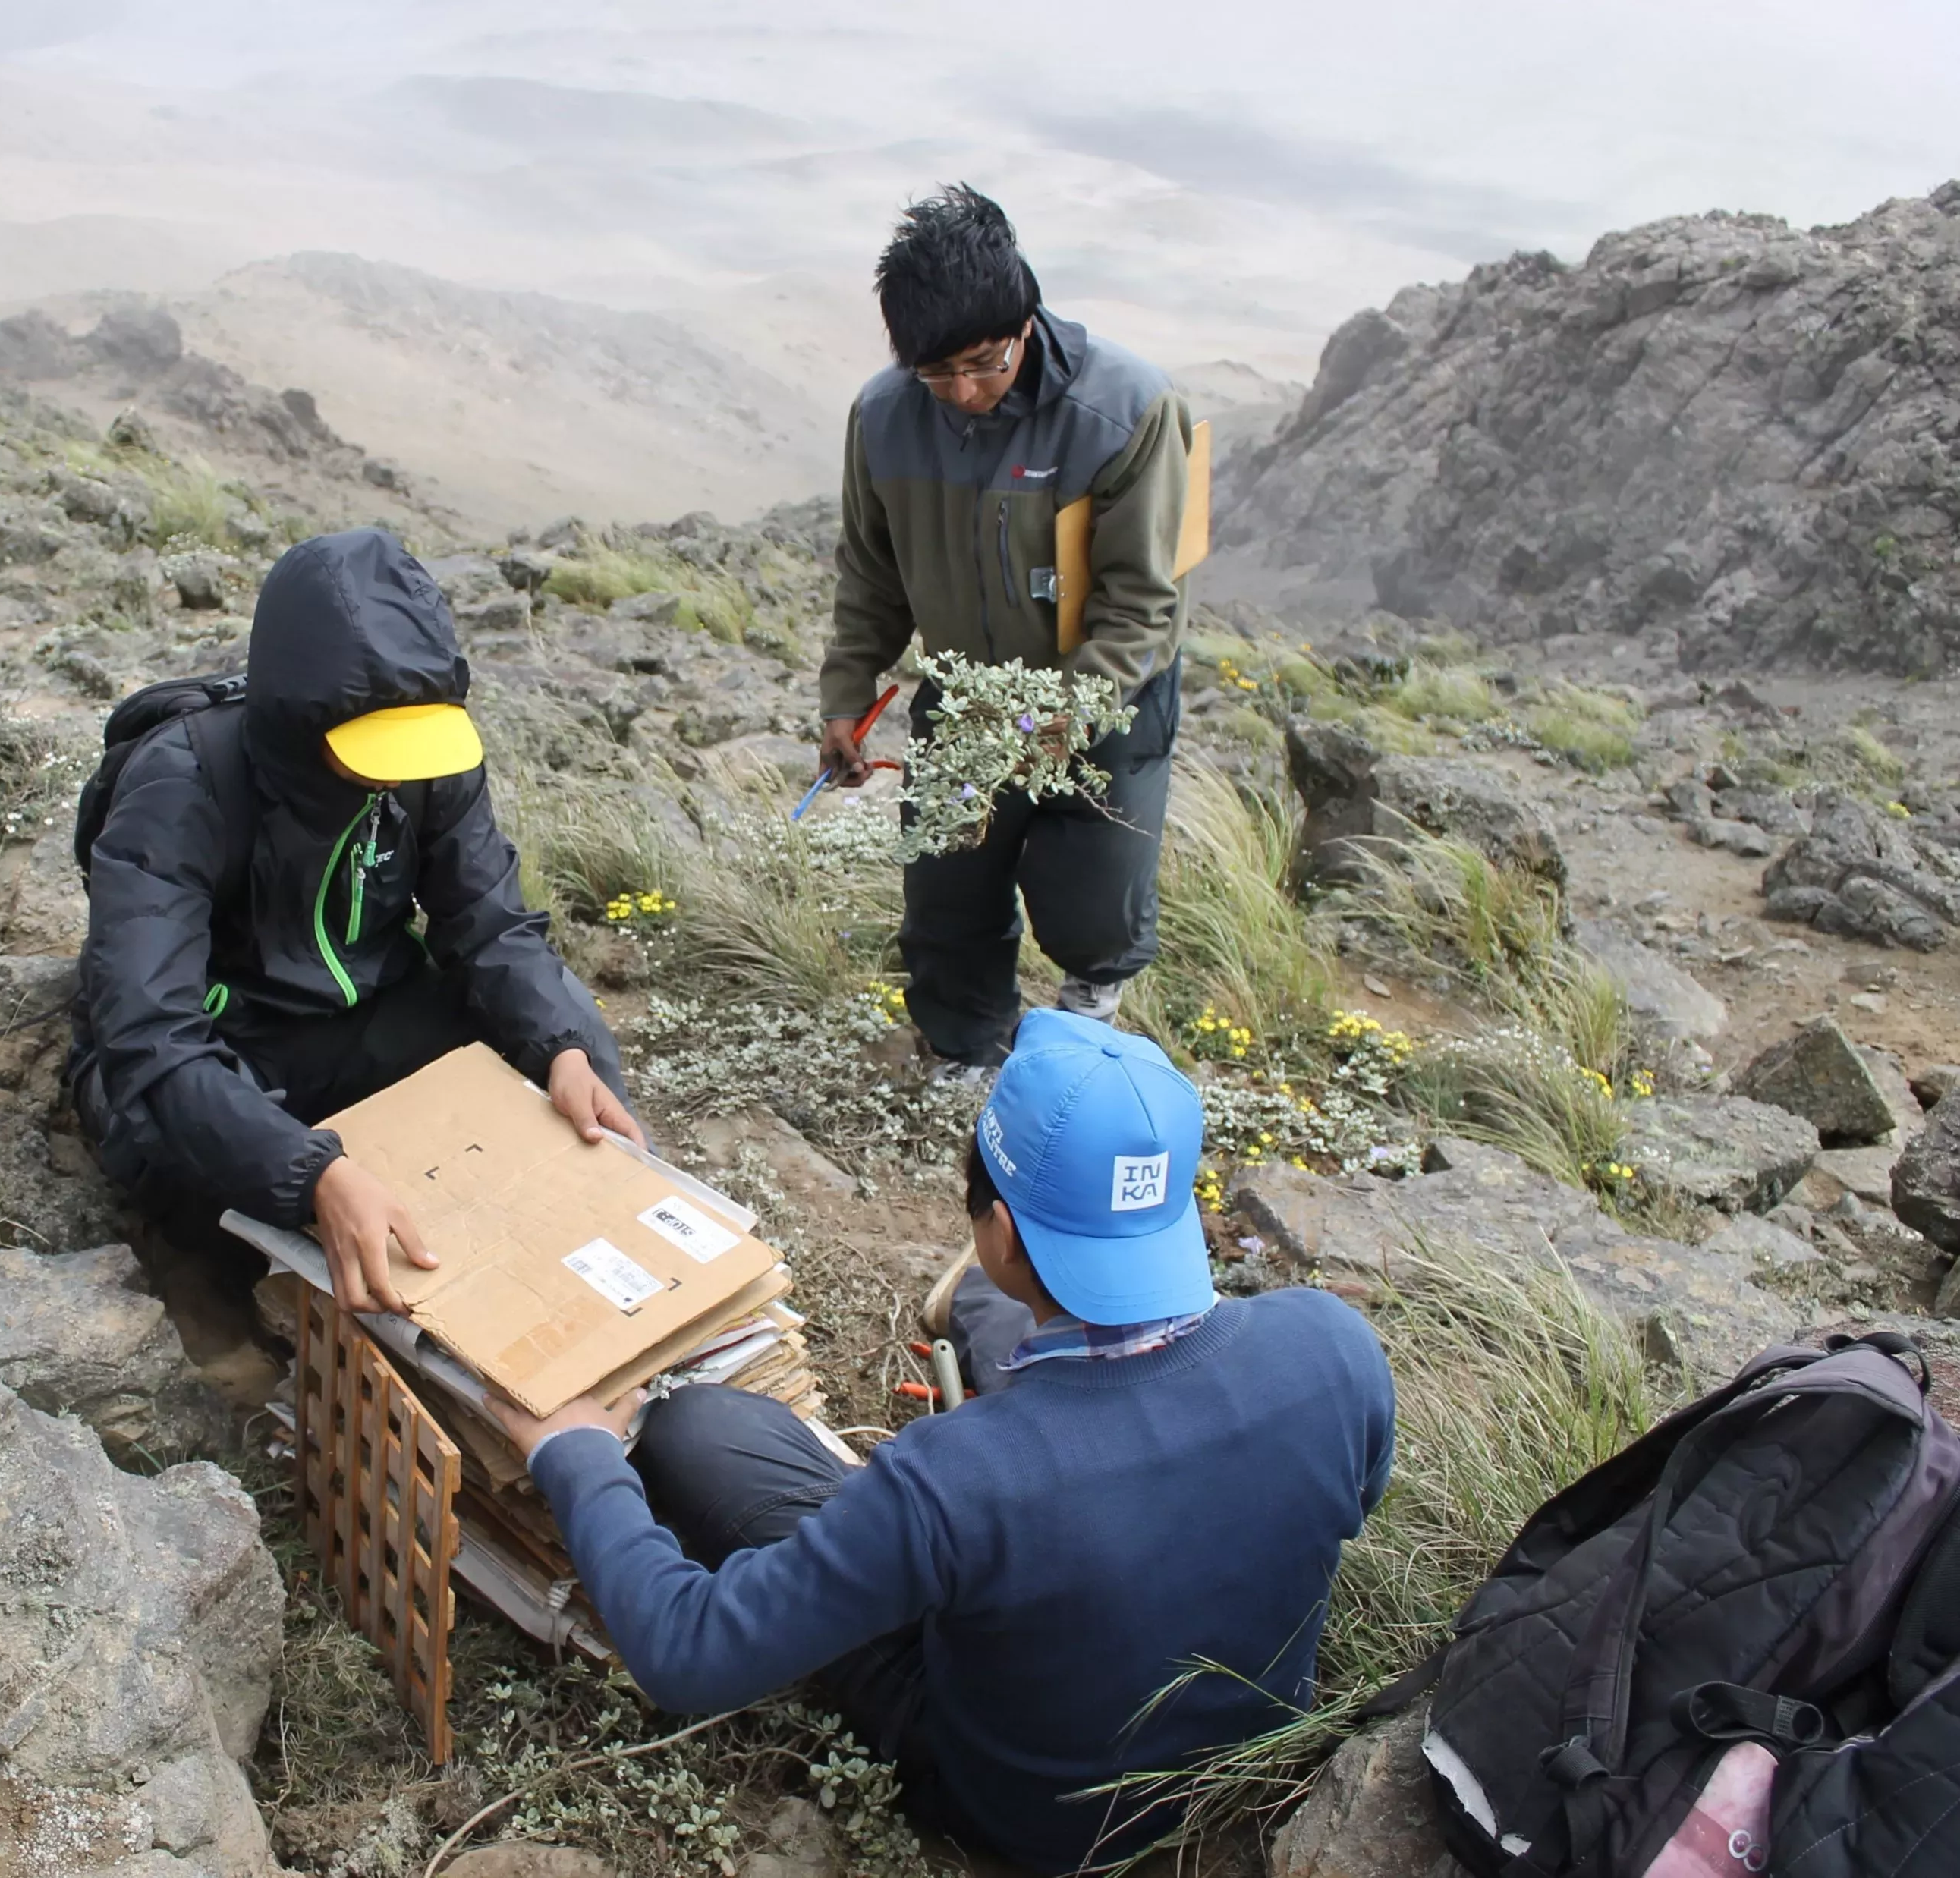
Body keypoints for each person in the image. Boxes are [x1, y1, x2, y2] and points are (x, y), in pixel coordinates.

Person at [490, 1009, 1394, 1875]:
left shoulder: (957, 1477)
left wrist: (576, 1453)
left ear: (998, 1230)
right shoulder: (1333, 1346)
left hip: (1030, 1816)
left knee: (696, 1429)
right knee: (1000, 1332)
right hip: (1248, 1753)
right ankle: (992, 1321)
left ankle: (986, 1335)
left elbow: (687, 1654)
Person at [71, 527, 639, 1313]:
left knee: (527, 1089)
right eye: (373, 750)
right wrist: (312, 1175)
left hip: (369, 1013)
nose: (400, 773)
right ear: (299, 719)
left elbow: (491, 925)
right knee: (181, 1168)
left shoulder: (433, 756)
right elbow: (150, 1035)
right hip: (224, 1043)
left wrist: (568, 1047)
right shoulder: (184, 784)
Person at [819, 184, 1195, 1074]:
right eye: (936, 372)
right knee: (948, 892)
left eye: (983, 364)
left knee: (1092, 892)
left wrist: (1060, 721)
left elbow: (1143, 603)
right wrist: (848, 692)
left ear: (1025, 318)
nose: (963, 392)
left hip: (1105, 691)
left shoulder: (1127, 410)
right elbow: (871, 574)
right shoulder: (884, 419)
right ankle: (964, 1051)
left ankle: (1084, 1027)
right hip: (964, 692)